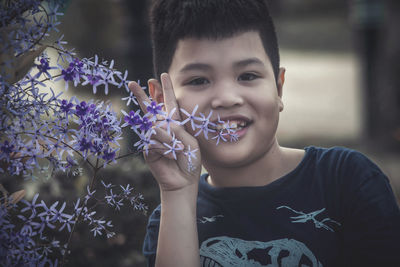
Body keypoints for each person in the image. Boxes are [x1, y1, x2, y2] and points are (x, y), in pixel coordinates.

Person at [128, 0, 400, 266]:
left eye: (247, 76)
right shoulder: (171, 219)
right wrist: (177, 191)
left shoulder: (347, 181)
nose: (227, 98)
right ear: (161, 102)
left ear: (279, 88)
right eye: (199, 80)